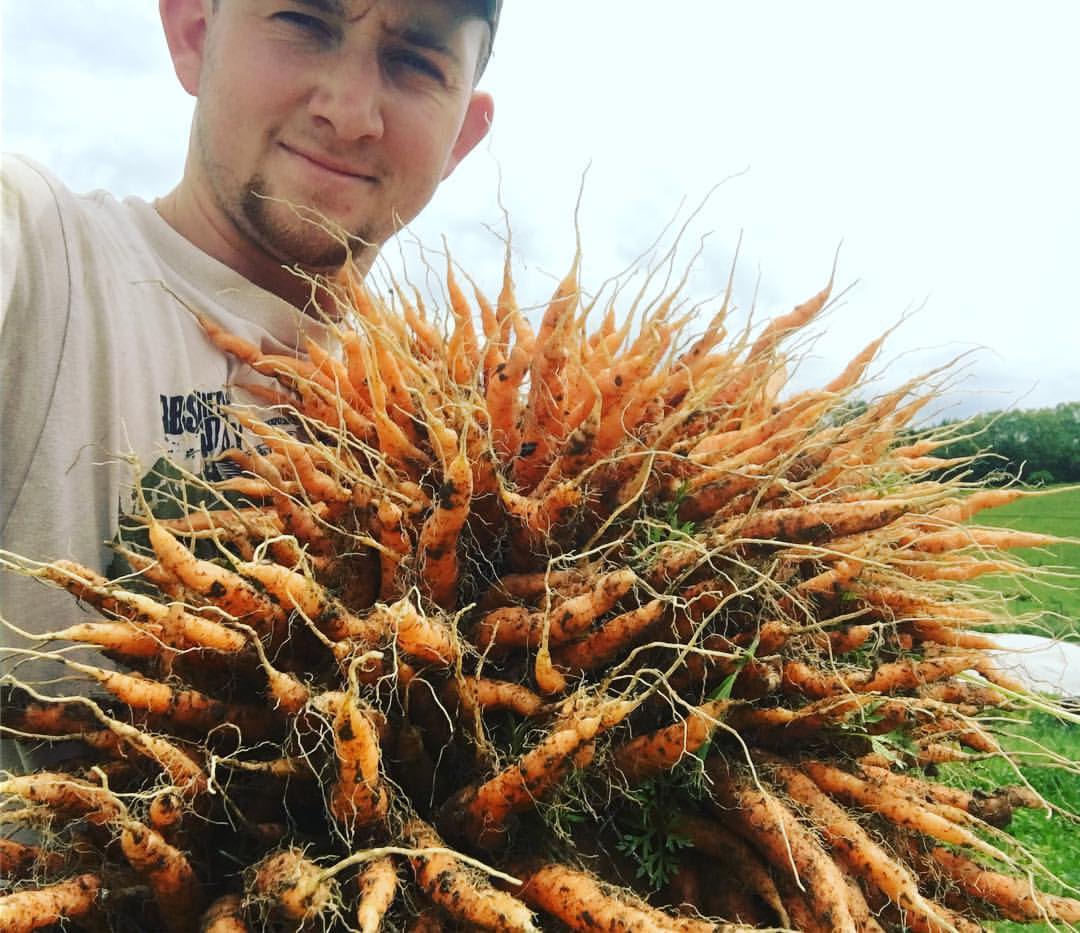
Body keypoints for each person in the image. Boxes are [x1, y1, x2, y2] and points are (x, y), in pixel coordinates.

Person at [0, 0, 499, 737]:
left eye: (416, 61)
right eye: (304, 21)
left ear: (462, 135)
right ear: (194, 32)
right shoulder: (40, 248)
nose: (351, 110)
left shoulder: (467, 442)